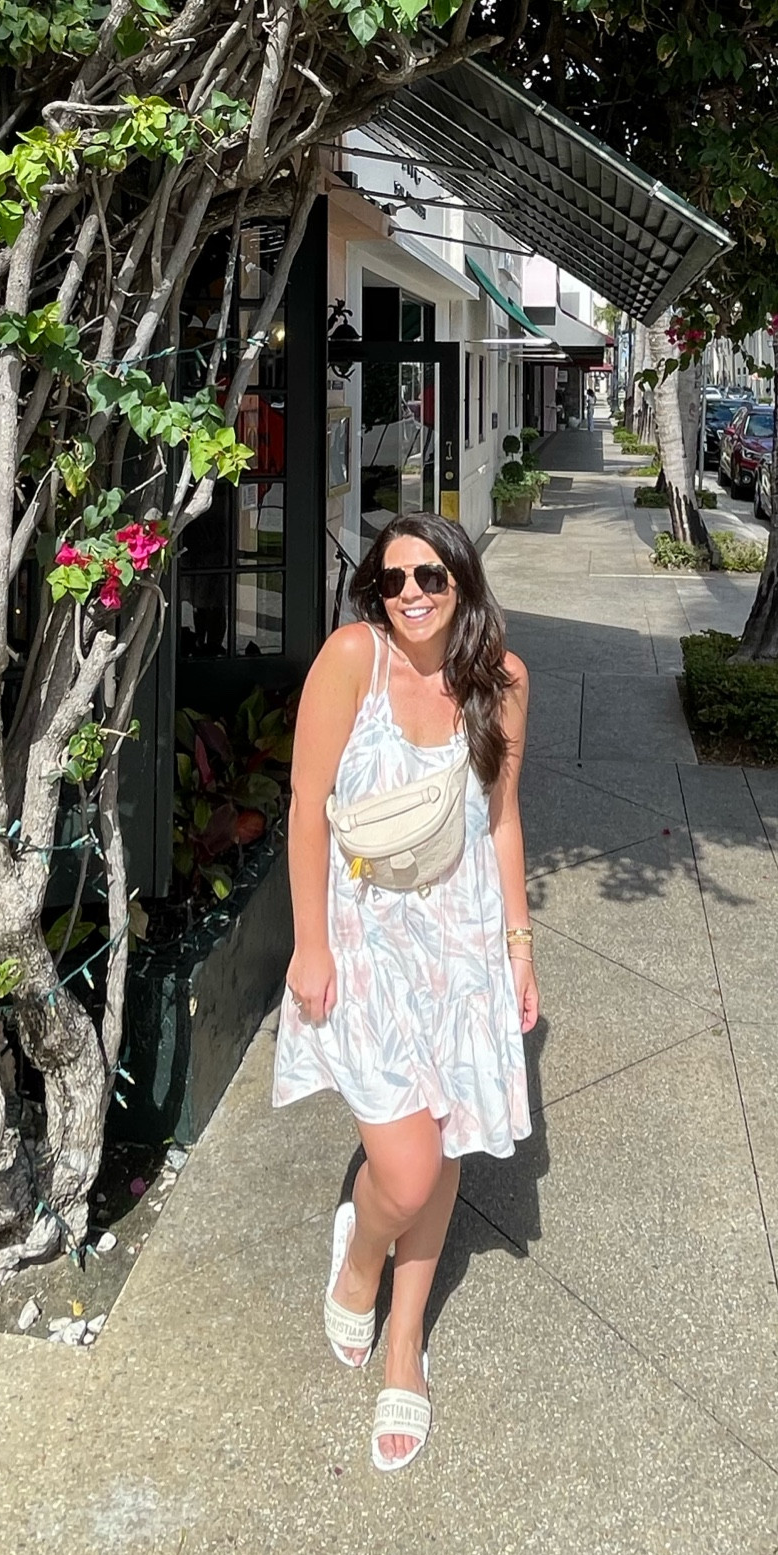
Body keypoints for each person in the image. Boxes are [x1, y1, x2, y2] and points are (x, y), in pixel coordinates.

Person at [272, 511, 538, 1472]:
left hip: (463, 942)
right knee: (409, 1168)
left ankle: (402, 1345)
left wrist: (519, 944)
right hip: (369, 940)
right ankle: (358, 1264)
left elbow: (502, 822)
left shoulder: (499, 681)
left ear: (463, 578)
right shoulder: (353, 659)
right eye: (392, 581)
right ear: (374, 595)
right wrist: (309, 945)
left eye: (429, 575)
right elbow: (307, 807)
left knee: (447, 1137)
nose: (412, 594)